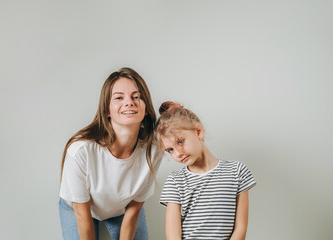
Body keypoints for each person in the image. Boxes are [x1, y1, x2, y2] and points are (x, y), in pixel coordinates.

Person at [59, 67, 163, 240]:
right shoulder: (80, 151)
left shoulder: (154, 149)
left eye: (136, 97)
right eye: (119, 98)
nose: (129, 102)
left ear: (145, 108)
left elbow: (133, 210)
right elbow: (82, 215)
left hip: (123, 209)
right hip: (80, 209)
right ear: (107, 110)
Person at [156, 101, 256, 240]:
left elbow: (240, 228)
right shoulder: (175, 181)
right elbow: (173, 236)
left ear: (198, 132)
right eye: (170, 150)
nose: (177, 153)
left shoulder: (237, 172)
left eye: (180, 142)